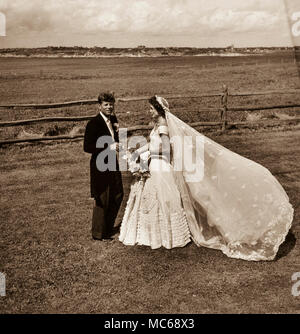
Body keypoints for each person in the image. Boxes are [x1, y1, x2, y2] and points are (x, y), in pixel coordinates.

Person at [119, 95, 294, 261]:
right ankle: (156, 233)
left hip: (161, 166)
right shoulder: (157, 125)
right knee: (156, 199)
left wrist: (145, 156)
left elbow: (165, 149)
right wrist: (138, 152)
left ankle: (165, 234)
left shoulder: (164, 125)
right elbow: (152, 143)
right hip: (155, 164)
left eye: (151, 108)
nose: (149, 111)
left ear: (159, 109)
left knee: (163, 200)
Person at [84, 92, 123, 240]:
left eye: (111, 104)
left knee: (118, 194)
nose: (109, 107)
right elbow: (87, 147)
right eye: (106, 104)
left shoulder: (113, 119)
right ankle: (98, 233)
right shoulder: (93, 123)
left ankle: (107, 228)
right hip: (100, 165)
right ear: (99, 106)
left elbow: (115, 138)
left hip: (113, 162)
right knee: (103, 197)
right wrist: (108, 147)